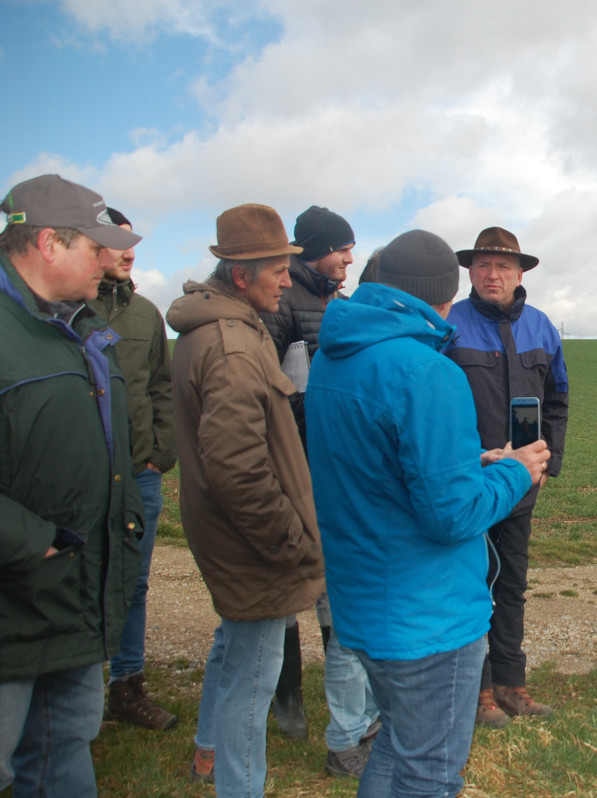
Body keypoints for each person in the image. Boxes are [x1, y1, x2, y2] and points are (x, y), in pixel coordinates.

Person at [305, 229, 550, 796]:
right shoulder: (426, 371)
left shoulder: (336, 356)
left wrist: (471, 458)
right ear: (445, 296)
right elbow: (452, 516)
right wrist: (514, 471)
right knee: (431, 773)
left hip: (362, 603)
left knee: (395, 746)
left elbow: (378, 466)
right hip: (425, 618)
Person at [167, 204, 325, 794]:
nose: (288, 280)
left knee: (233, 650)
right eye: (278, 270)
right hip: (252, 546)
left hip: (229, 535)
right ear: (240, 276)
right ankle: (239, 785)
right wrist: (287, 539)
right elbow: (237, 468)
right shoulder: (233, 348)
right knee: (253, 682)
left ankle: (207, 753)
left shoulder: (221, 328)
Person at [0, 174, 143, 796]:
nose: (110, 262)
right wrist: (32, 540)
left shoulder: (84, 331)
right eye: (96, 245)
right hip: (15, 601)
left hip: (77, 596)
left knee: (63, 755)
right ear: (49, 244)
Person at [258, 205, 379, 775]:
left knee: (335, 588)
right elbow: (267, 390)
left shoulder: (341, 303)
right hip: (294, 466)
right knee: (287, 587)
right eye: (340, 249)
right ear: (312, 250)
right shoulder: (283, 306)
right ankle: (286, 697)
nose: (349, 259)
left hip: (330, 469)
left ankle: (341, 702)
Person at [445, 226, 569, 727]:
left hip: (521, 486)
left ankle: (511, 684)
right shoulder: (450, 324)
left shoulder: (541, 327)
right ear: (470, 272)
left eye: (502, 266)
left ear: (520, 273)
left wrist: (546, 464)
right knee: (470, 583)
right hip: (470, 483)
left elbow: (557, 400)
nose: (491, 274)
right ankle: (477, 692)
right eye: (482, 265)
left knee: (512, 584)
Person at [87, 208, 179, 732]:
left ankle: (126, 685)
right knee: (71, 579)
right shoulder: (65, 309)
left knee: (134, 583)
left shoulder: (146, 314)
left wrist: (158, 454)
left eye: (132, 244)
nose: (129, 253)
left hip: (140, 475)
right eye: (117, 243)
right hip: (81, 478)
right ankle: (63, 693)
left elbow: (161, 387)